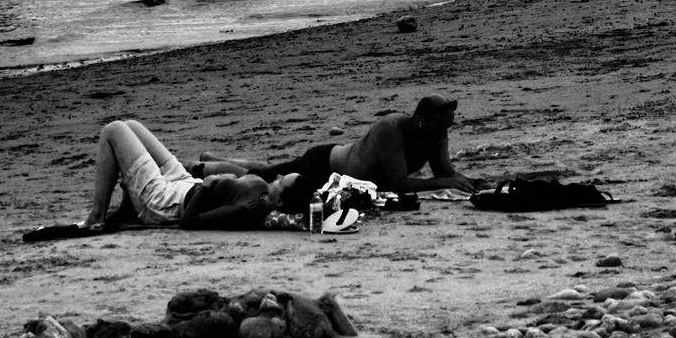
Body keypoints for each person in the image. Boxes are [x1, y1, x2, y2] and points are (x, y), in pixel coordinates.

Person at [201, 94, 476, 213]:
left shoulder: (436, 131)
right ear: (421, 121)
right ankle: (202, 168)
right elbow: (398, 183)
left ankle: (214, 160)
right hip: (324, 166)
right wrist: (444, 182)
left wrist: (466, 184)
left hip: (336, 166)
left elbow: (445, 174)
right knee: (261, 177)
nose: (444, 133)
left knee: (272, 168)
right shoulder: (391, 128)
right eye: (440, 126)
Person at [84, 119, 279, 231]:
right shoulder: (263, 192)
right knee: (132, 125)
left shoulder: (246, 209)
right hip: (184, 183)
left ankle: (96, 217)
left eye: (283, 183)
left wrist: (206, 186)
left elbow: (189, 222)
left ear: (280, 201)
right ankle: (127, 209)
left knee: (113, 129)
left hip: (164, 202)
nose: (280, 180)